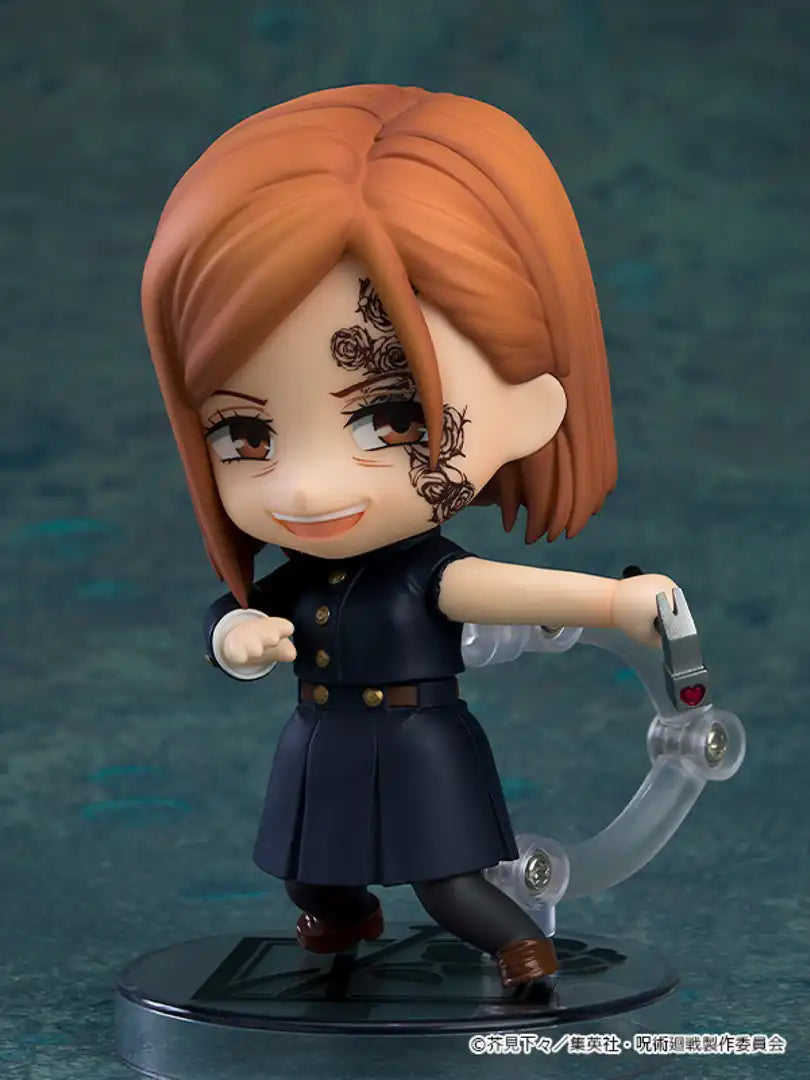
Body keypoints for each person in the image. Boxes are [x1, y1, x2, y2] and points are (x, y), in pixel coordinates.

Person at [142, 84, 675, 1001]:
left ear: (529, 406)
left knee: (448, 878)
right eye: (246, 434)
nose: (306, 488)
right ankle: (342, 918)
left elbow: (502, 589)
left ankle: (520, 948)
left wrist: (614, 602)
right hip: (321, 738)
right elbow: (233, 614)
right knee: (307, 868)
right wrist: (237, 636)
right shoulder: (298, 576)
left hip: (420, 738)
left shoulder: (425, 573)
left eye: (388, 420)